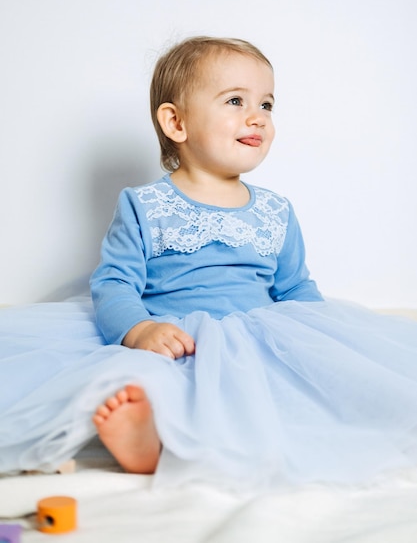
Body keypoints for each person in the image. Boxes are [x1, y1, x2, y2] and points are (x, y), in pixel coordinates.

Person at [1, 36, 417, 490]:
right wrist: (140, 330)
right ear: (176, 122)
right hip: (175, 336)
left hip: (254, 340)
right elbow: (115, 283)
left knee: (284, 392)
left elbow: (296, 288)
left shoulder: (276, 210)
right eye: (236, 101)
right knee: (157, 380)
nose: (257, 116)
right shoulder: (147, 205)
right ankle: (150, 439)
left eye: (267, 104)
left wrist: (326, 344)